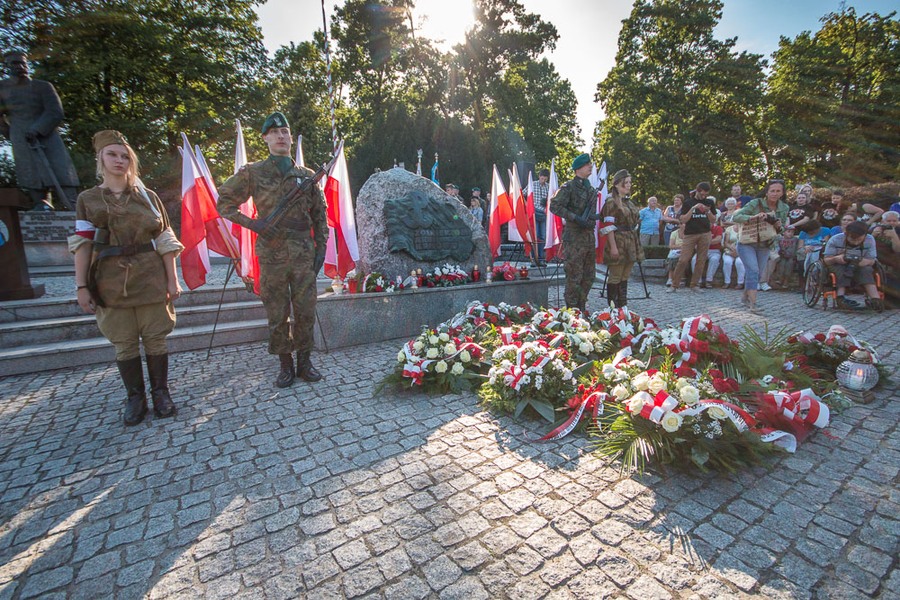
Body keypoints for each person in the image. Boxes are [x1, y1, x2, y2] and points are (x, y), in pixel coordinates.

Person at [68, 131, 184, 425]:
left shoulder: (148, 197)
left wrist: (173, 279)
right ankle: (135, 398)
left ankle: (161, 393)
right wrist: (82, 286)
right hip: (109, 280)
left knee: (156, 339)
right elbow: (82, 246)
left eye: (124, 155)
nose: (119, 160)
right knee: (125, 343)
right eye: (112, 154)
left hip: (150, 277)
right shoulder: (88, 199)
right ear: (101, 159)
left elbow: (166, 240)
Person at [217, 112, 328, 388]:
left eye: (285, 131)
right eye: (275, 132)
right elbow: (224, 203)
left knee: (305, 310)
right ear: (265, 137)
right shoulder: (253, 172)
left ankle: (305, 361)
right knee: (277, 312)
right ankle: (285, 364)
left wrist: (322, 248)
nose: (281, 136)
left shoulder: (306, 176)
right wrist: (254, 224)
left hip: (303, 253)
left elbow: (320, 215)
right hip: (272, 253)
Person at [0, 49, 80, 210]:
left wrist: (37, 129)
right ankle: (42, 206)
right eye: (16, 63)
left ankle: (74, 207)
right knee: (32, 175)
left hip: (47, 134)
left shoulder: (42, 87)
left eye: (23, 63)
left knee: (61, 170)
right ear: (7, 66)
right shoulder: (2, 89)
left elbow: (55, 111)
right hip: (20, 136)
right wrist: (10, 133)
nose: (21, 66)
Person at [732, 179, 790, 314]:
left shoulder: (784, 208)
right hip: (747, 242)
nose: (774, 194)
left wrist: (778, 226)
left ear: (782, 193)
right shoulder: (756, 203)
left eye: (778, 191)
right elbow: (737, 217)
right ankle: (753, 304)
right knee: (753, 271)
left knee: (756, 274)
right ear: (767, 192)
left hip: (765, 243)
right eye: (772, 191)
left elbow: (780, 231)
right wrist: (754, 217)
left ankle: (745, 297)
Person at [550, 153, 599, 312]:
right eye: (587, 165)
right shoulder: (568, 187)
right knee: (574, 275)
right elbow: (554, 206)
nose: (590, 167)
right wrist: (575, 217)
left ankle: (582, 305)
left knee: (589, 276)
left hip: (588, 237)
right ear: (578, 168)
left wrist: (593, 219)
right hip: (574, 238)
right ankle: (572, 311)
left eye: (590, 164)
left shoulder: (590, 189)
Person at [599, 169, 643, 307]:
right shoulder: (611, 202)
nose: (629, 185)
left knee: (624, 277)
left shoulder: (629, 202)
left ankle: (622, 306)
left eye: (630, 182)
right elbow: (608, 226)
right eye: (626, 182)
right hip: (618, 242)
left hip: (630, 241)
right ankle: (613, 309)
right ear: (617, 184)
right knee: (616, 276)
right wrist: (613, 247)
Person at [666, 182, 717, 293]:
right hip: (690, 234)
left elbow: (713, 220)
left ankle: (694, 284)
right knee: (683, 260)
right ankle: (674, 285)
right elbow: (683, 219)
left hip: (705, 233)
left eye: (706, 194)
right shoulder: (688, 203)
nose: (704, 196)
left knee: (701, 260)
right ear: (697, 191)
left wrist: (707, 210)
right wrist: (693, 208)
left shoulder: (709, 202)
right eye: (702, 194)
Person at [823, 220, 882, 310]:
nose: (855, 243)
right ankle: (840, 297)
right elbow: (826, 260)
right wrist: (836, 258)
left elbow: (872, 260)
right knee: (841, 269)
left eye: (859, 239)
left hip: (860, 263)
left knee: (866, 270)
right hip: (838, 263)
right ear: (846, 234)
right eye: (852, 239)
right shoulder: (835, 239)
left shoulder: (869, 240)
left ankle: (875, 298)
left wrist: (865, 262)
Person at [531, 168, 550, 265]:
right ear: (539, 177)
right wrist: (527, 205)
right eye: (542, 178)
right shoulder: (533, 184)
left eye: (545, 179)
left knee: (542, 236)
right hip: (534, 212)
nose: (544, 180)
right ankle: (534, 259)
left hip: (544, 213)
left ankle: (541, 259)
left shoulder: (548, 187)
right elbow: (523, 194)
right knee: (535, 236)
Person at [771, 226, 799, 290]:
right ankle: (780, 279)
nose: (790, 233)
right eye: (788, 231)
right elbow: (776, 246)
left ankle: (786, 281)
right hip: (782, 256)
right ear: (784, 232)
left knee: (789, 267)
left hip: (791, 257)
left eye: (792, 232)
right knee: (781, 267)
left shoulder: (795, 239)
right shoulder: (780, 239)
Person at [721, 224, 745, 289]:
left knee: (739, 262)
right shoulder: (729, 228)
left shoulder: (745, 228)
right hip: (730, 250)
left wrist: (738, 252)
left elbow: (746, 242)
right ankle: (727, 282)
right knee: (727, 262)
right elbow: (726, 242)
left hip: (742, 251)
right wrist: (732, 249)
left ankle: (740, 283)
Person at [666, 223, 686, 287]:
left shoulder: (689, 233)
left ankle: (681, 278)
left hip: (686, 251)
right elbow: (671, 246)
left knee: (682, 259)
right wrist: (680, 247)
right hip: (676, 250)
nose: (685, 225)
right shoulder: (674, 233)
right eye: (683, 224)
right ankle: (670, 278)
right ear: (679, 225)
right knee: (672, 258)